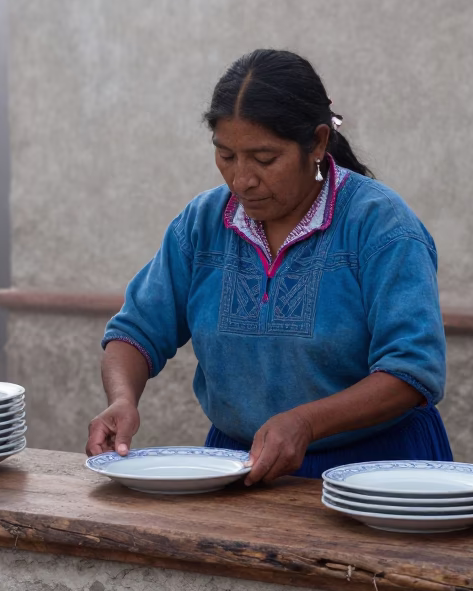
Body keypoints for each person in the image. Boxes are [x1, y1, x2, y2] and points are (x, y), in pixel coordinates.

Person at [86, 49, 452, 485]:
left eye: (264, 159)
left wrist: (307, 422)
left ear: (316, 143)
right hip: (236, 468)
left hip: (377, 472)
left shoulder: (380, 226)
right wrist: (122, 400)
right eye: (226, 156)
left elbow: (411, 370)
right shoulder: (202, 224)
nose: (242, 179)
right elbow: (136, 331)